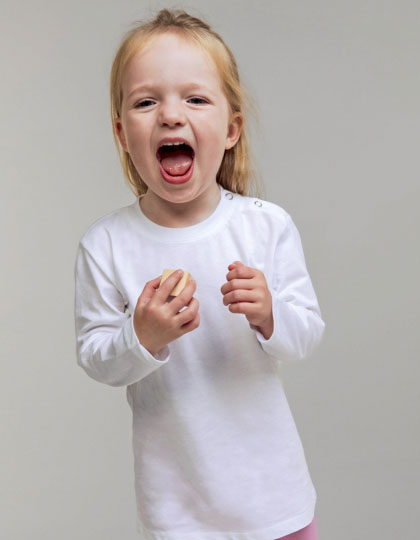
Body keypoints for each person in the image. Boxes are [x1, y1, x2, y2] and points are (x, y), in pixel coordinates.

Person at [73, 8, 325, 540]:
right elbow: (97, 359)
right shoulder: (106, 245)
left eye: (195, 99)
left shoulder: (265, 226)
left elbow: (306, 335)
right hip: (178, 512)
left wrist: (270, 314)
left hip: (275, 500)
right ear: (122, 132)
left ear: (231, 129)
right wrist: (141, 336)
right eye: (146, 102)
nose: (170, 115)